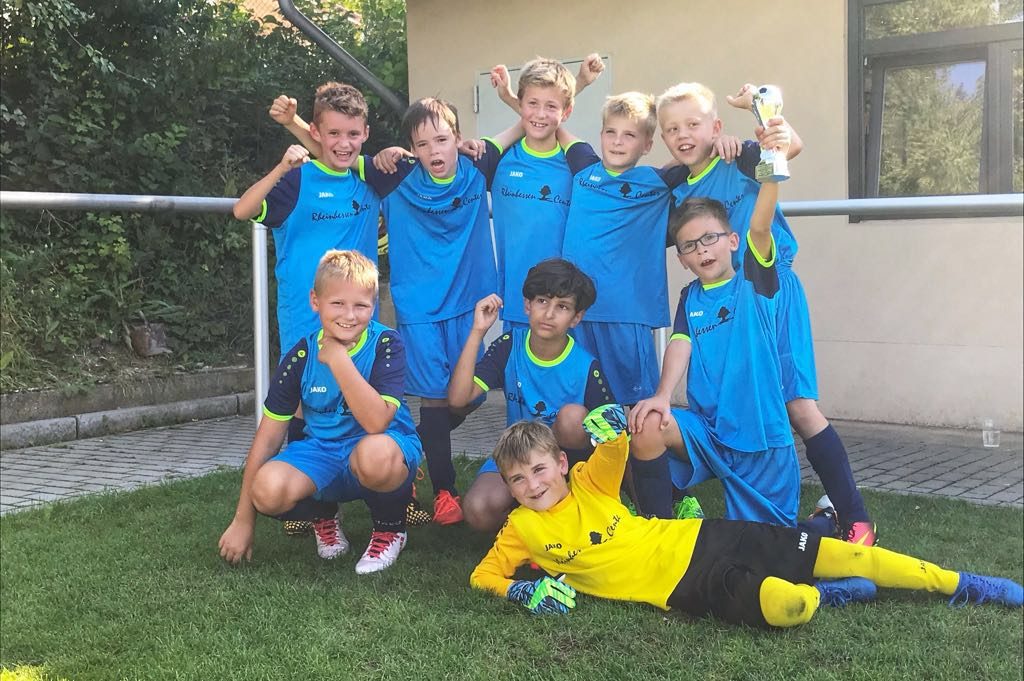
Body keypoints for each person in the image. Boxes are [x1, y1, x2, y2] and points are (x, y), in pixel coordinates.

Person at [469, 406, 1023, 628]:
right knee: (788, 605)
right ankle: (831, 595)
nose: (532, 485)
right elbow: (483, 575)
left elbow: (616, 445)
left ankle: (964, 584)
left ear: (560, 463)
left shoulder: (590, 481)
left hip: (707, 535)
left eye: (539, 470)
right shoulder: (521, 529)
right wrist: (521, 591)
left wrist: (610, 422)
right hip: (685, 588)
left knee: (849, 555)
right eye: (517, 479)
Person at [656, 81, 876, 545]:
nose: (683, 134)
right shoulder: (676, 190)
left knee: (798, 405)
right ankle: (769, 503)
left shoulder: (735, 156)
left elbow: (789, 145)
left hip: (769, 289)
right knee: (738, 406)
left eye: (693, 124)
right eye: (672, 128)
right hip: (724, 305)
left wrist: (754, 111)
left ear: (715, 126)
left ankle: (855, 517)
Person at [628, 140, 801, 525]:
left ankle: (825, 519)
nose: (703, 250)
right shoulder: (690, 297)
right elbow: (680, 343)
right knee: (648, 424)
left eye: (710, 238)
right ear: (682, 259)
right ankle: (659, 533)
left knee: (769, 544)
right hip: (708, 431)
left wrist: (771, 172)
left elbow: (760, 226)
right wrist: (661, 396)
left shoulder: (755, 280)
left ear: (732, 241)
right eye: (690, 245)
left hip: (760, 437)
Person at [235, 82, 382, 535]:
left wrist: (294, 123)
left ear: (365, 133)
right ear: (316, 133)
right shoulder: (297, 181)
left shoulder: (371, 179)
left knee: (366, 405)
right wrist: (283, 162)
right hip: (303, 319)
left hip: (358, 325)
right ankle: (321, 512)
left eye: (353, 134)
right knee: (304, 408)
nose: (344, 143)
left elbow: (422, 162)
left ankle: (392, 506)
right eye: (332, 133)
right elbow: (242, 211)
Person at [218, 250, 421, 574]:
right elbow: (267, 439)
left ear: (373, 306)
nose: (349, 315)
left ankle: (390, 528)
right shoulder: (300, 356)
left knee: (374, 454)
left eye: (361, 305)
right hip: (324, 452)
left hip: (382, 448)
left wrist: (339, 360)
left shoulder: (387, 344)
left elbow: (376, 422)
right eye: (337, 303)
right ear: (316, 301)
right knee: (266, 489)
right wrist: (244, 519)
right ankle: (324, 516)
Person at [554, 92, 739, 406]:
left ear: (647, 145)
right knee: (579, 401)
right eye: (611, 132)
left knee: (633, 403)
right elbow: (553, 124)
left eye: (630, 135)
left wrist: (724, 141)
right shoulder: (582, 168)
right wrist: (578, 83)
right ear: (600, 135)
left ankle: (637, 441)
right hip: (577, 312)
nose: (617, 141)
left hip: (629, 314)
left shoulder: (658, 181)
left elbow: (699, 155)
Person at [448, 258, 614, 532]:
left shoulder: (586, 366)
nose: (549, 314)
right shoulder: (509, 346)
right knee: (478, 509)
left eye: (562, 306)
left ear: (576, 317)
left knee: (573, 417)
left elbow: (613, 436)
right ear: (527, 305)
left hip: (563, 466)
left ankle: (569, 505)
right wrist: (478, 331)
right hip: (517, 455)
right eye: (542, 301)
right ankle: (529, 527)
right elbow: (458, 399)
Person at [486, 55, 604, 330]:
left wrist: (579, 83)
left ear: (566, 112)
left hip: (566, 308)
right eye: (532, 104)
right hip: (517, 304)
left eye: (550, 106)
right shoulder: (500, 162)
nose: (540, 114)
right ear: (520, 105)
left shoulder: (577, 166)